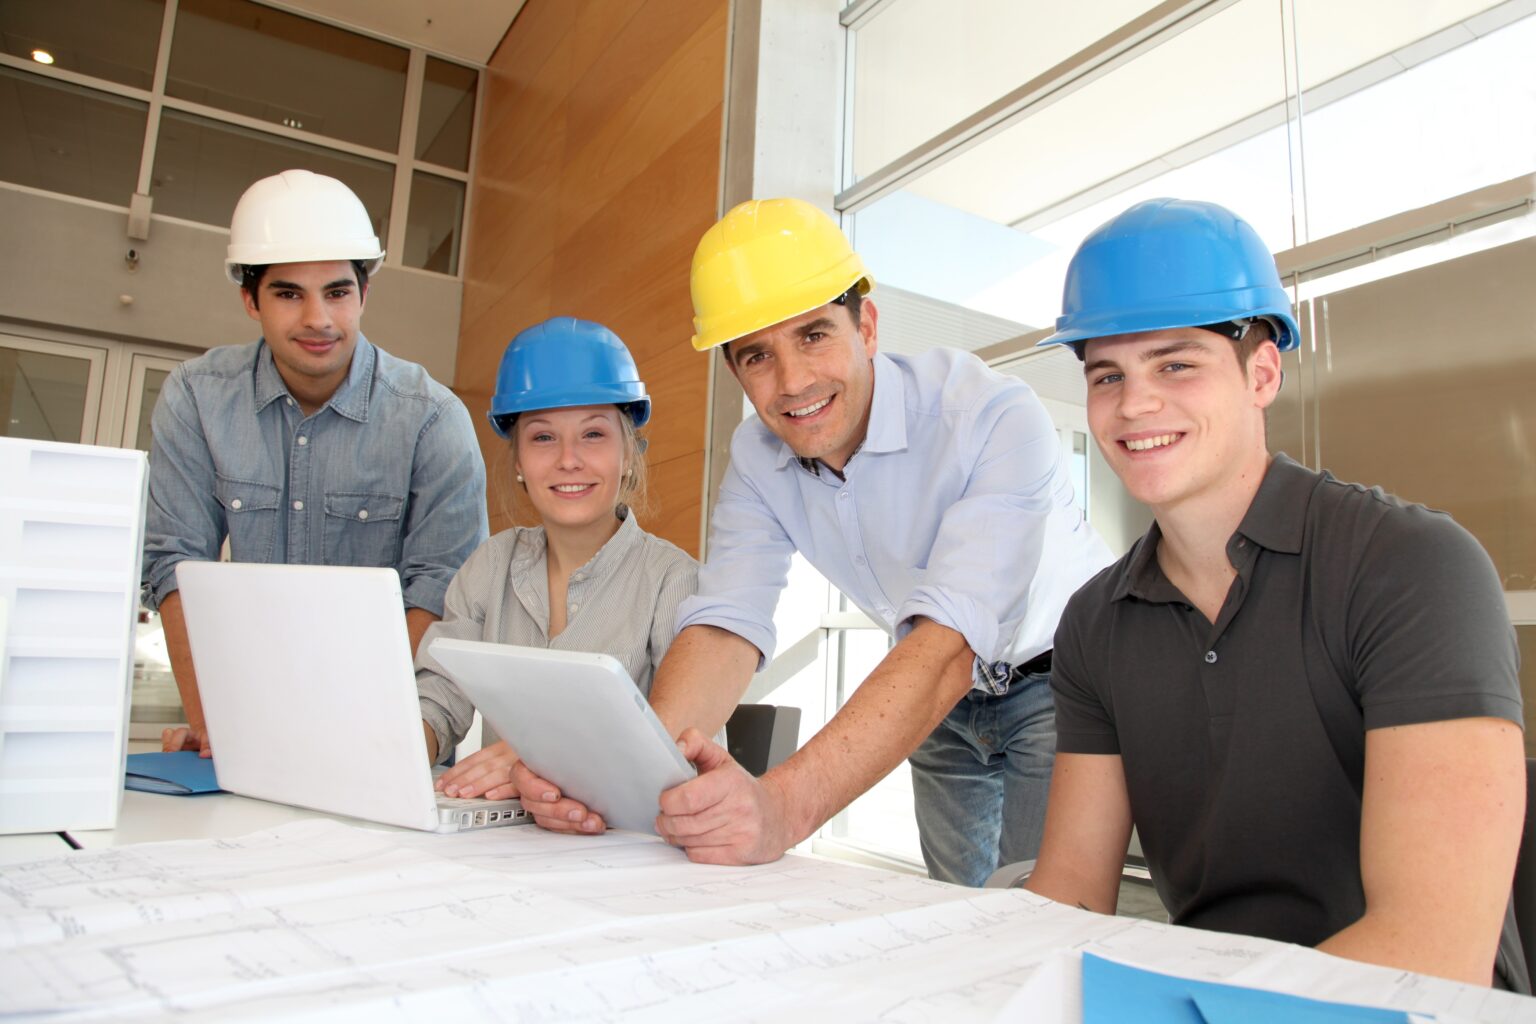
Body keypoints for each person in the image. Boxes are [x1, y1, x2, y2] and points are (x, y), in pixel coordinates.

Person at [510, 198, 1111, 880]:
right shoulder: (757, 458)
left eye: (815, 335)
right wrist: (615, 779)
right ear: (736, 373)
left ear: (869, 327)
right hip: (939, 702)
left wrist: (781, 808)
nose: (793, 381)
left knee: (1037, 911)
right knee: (956, 906)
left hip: (1062, 683)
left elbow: (950, 641)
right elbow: (725, 626)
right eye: (758, 355)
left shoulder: (991, 416)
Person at [1021, 197, 1527, 991]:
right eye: (1106, 375)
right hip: (1213, 995)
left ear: (1263, 373)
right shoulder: (1094, 622)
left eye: (1176, 363)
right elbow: (1073, 896)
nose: (1134, 404)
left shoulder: (1412, 567)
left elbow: (1432, 953)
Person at [141, 168, 489, 757]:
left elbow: (440, 594)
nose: (318, 320)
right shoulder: (197, 397)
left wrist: (324, 729)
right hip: (243, 720)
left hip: (381, 724)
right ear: (250, 299)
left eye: (336, 292)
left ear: (364, 293)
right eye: (288, 294)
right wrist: (214, 724)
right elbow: (175, 567)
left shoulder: (432, 417)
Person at [413, 317, 698, 809]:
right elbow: (440, 694)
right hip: (507, 846)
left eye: (593, 435)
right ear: (519, 461)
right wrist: (399, 751)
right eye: (543, 438)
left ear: (627, 454)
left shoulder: (673, 580)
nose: (569, 459)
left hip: (634, 847)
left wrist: (540, 758)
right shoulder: (488, 567)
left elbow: (681, 749)